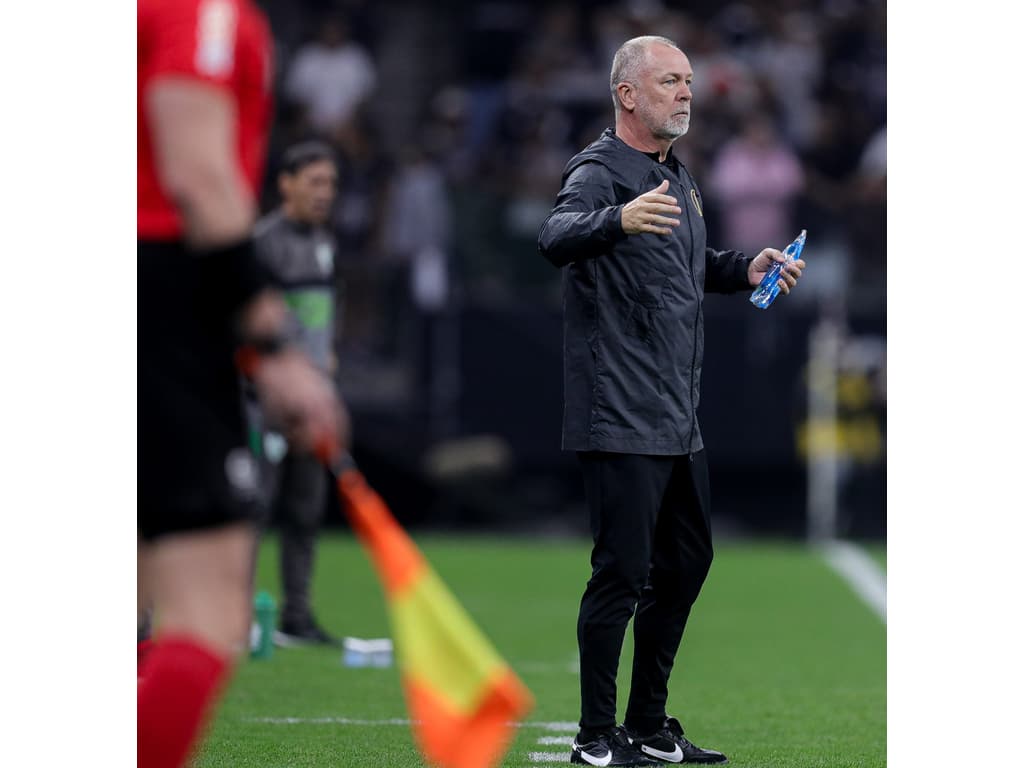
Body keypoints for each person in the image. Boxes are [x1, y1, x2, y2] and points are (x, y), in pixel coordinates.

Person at [538, 36, 805, 767]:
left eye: (688, 81)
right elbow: (554, 236)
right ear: (627, 95)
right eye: (669, 81)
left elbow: (682, 268)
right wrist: (615, 220)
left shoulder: (676, 175)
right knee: (621, 574)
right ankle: (596, 738)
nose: (686, 93)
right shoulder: (598, 172)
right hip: (620, 411)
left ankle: (650, 726)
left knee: (686, 565)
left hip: (675, 416)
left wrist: (743, 268)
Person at [137, 2, 348, 768]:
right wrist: (272, 343)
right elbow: (197, 173)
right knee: (207, 608)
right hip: (164, 296)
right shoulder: (204, 14)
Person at [251, 140, 342, 645]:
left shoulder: (325, 242)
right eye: (315, 182)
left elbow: (323, 312)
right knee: (254, 509)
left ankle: (298, 615)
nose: (325, 192)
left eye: (330, 183)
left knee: (306, 510)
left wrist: (329, 355)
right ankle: (231, 615)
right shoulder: (263, 243)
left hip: (315, 405)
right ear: (286, 184)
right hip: (264, 404)